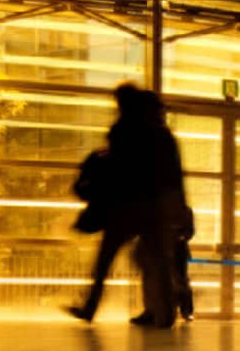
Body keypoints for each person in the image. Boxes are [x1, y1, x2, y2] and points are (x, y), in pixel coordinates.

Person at [68, 84, 181, 327]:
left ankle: (91, 307)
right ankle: (168, 313)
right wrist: (176, 206)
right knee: (160, 262)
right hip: (152, 207)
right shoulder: (162, 135)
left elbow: (117, 170)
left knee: (104, 261)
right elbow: (173, 176)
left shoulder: (122, 131)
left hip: (124, 208)